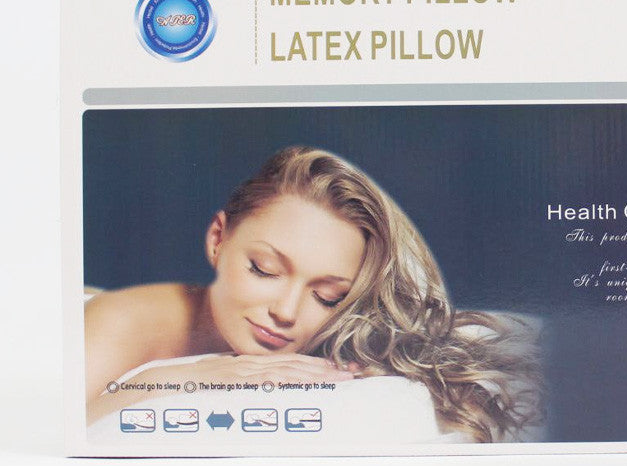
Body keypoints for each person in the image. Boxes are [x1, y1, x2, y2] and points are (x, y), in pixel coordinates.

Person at [86, 146, 540, 441]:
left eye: (327, 296)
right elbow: (66, 433)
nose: (286, 312)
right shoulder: (122, 323)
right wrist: (181, 378)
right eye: (264, 269)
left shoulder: (335, 337)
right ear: (218, 239)